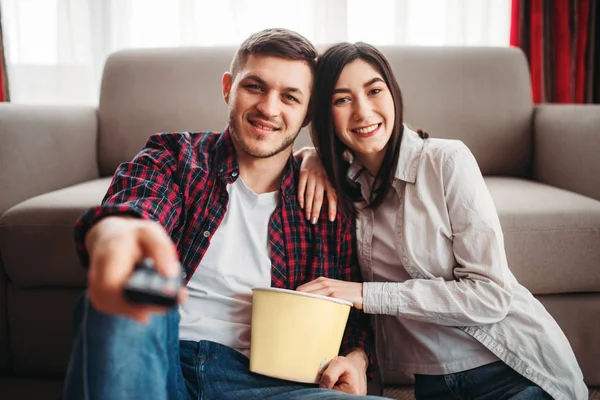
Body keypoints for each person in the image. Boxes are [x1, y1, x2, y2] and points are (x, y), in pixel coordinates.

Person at [62, 29, 387, 400]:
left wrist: (357, 360)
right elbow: (136, 211)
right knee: (128, 291)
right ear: (227, 88)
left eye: (290, 97)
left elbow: (350, 310)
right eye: (255, 87)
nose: (269, 108)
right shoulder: (174, 156)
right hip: (159, 364)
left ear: (309, 111)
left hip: (270, 385)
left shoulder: (326, 194)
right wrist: (116, 236)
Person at [295, 42, 588, 399]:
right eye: (342, 100)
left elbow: (491, 295)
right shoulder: (343, 186)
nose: (363, 111)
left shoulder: (446, 160)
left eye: (374, 90)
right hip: (435, 385)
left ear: (393, 93)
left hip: (510, 366)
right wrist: (312, 157)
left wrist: (365, 294)